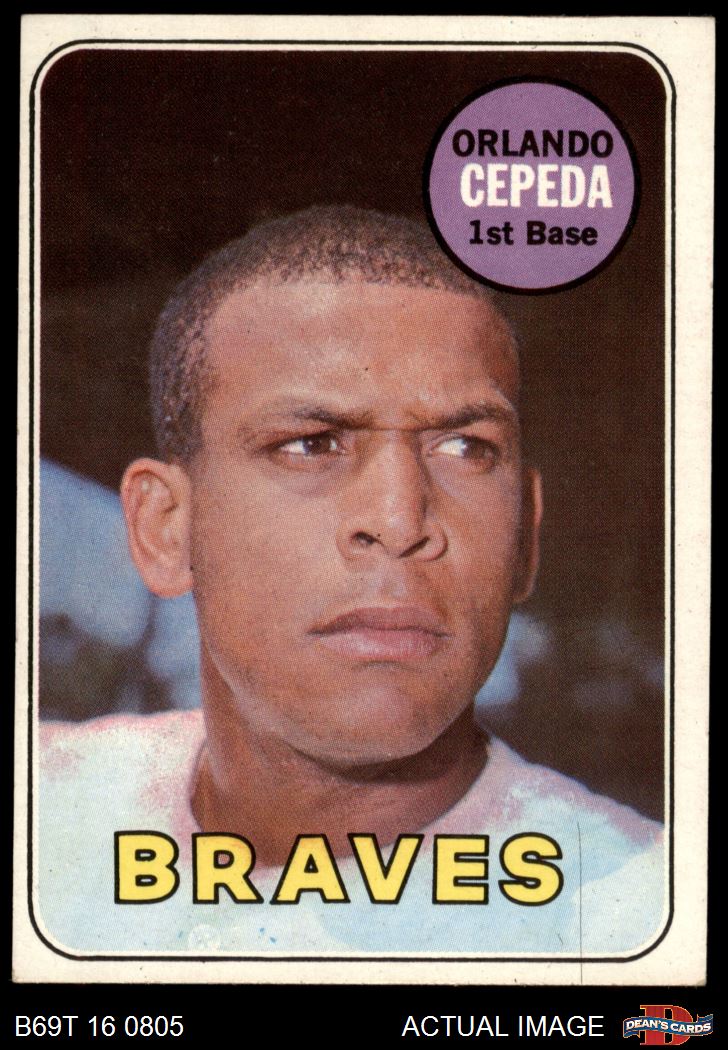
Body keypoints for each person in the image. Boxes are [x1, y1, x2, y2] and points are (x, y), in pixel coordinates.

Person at [39, 206, 663, 956]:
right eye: (311, 444)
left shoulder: (638, 918)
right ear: (166, 528)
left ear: (525, 538)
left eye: (465, 447)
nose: (399, 520)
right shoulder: (44, 810)